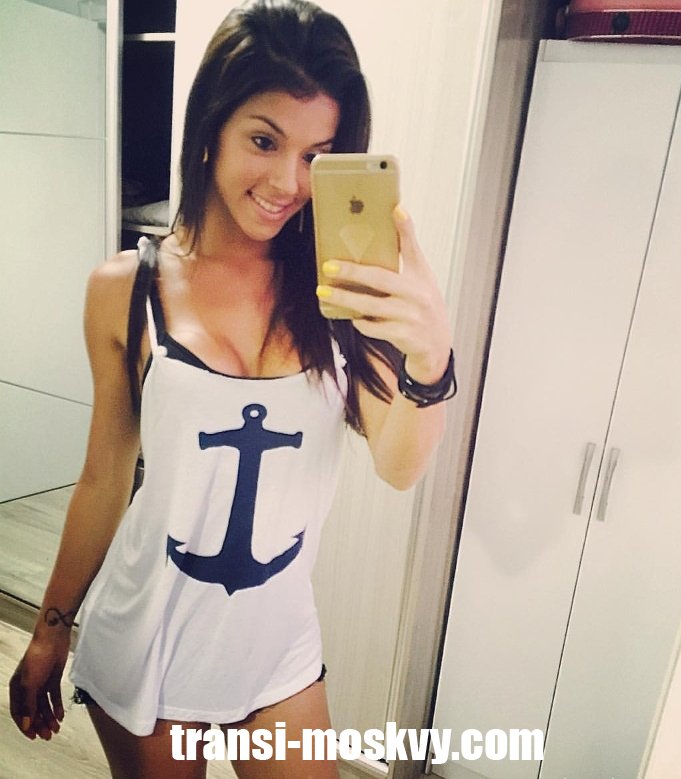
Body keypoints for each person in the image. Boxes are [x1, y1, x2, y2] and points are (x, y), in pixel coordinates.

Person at [8, 1, 454, 776]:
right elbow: (105, 478)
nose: (288, 182)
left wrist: (432, 351)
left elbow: (399, 464)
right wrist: (50, 627)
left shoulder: (341, 295)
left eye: (317, 155)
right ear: (211, 128)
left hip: (275, 646)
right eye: (264, 141)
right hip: (148, 638)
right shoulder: (126, 289)